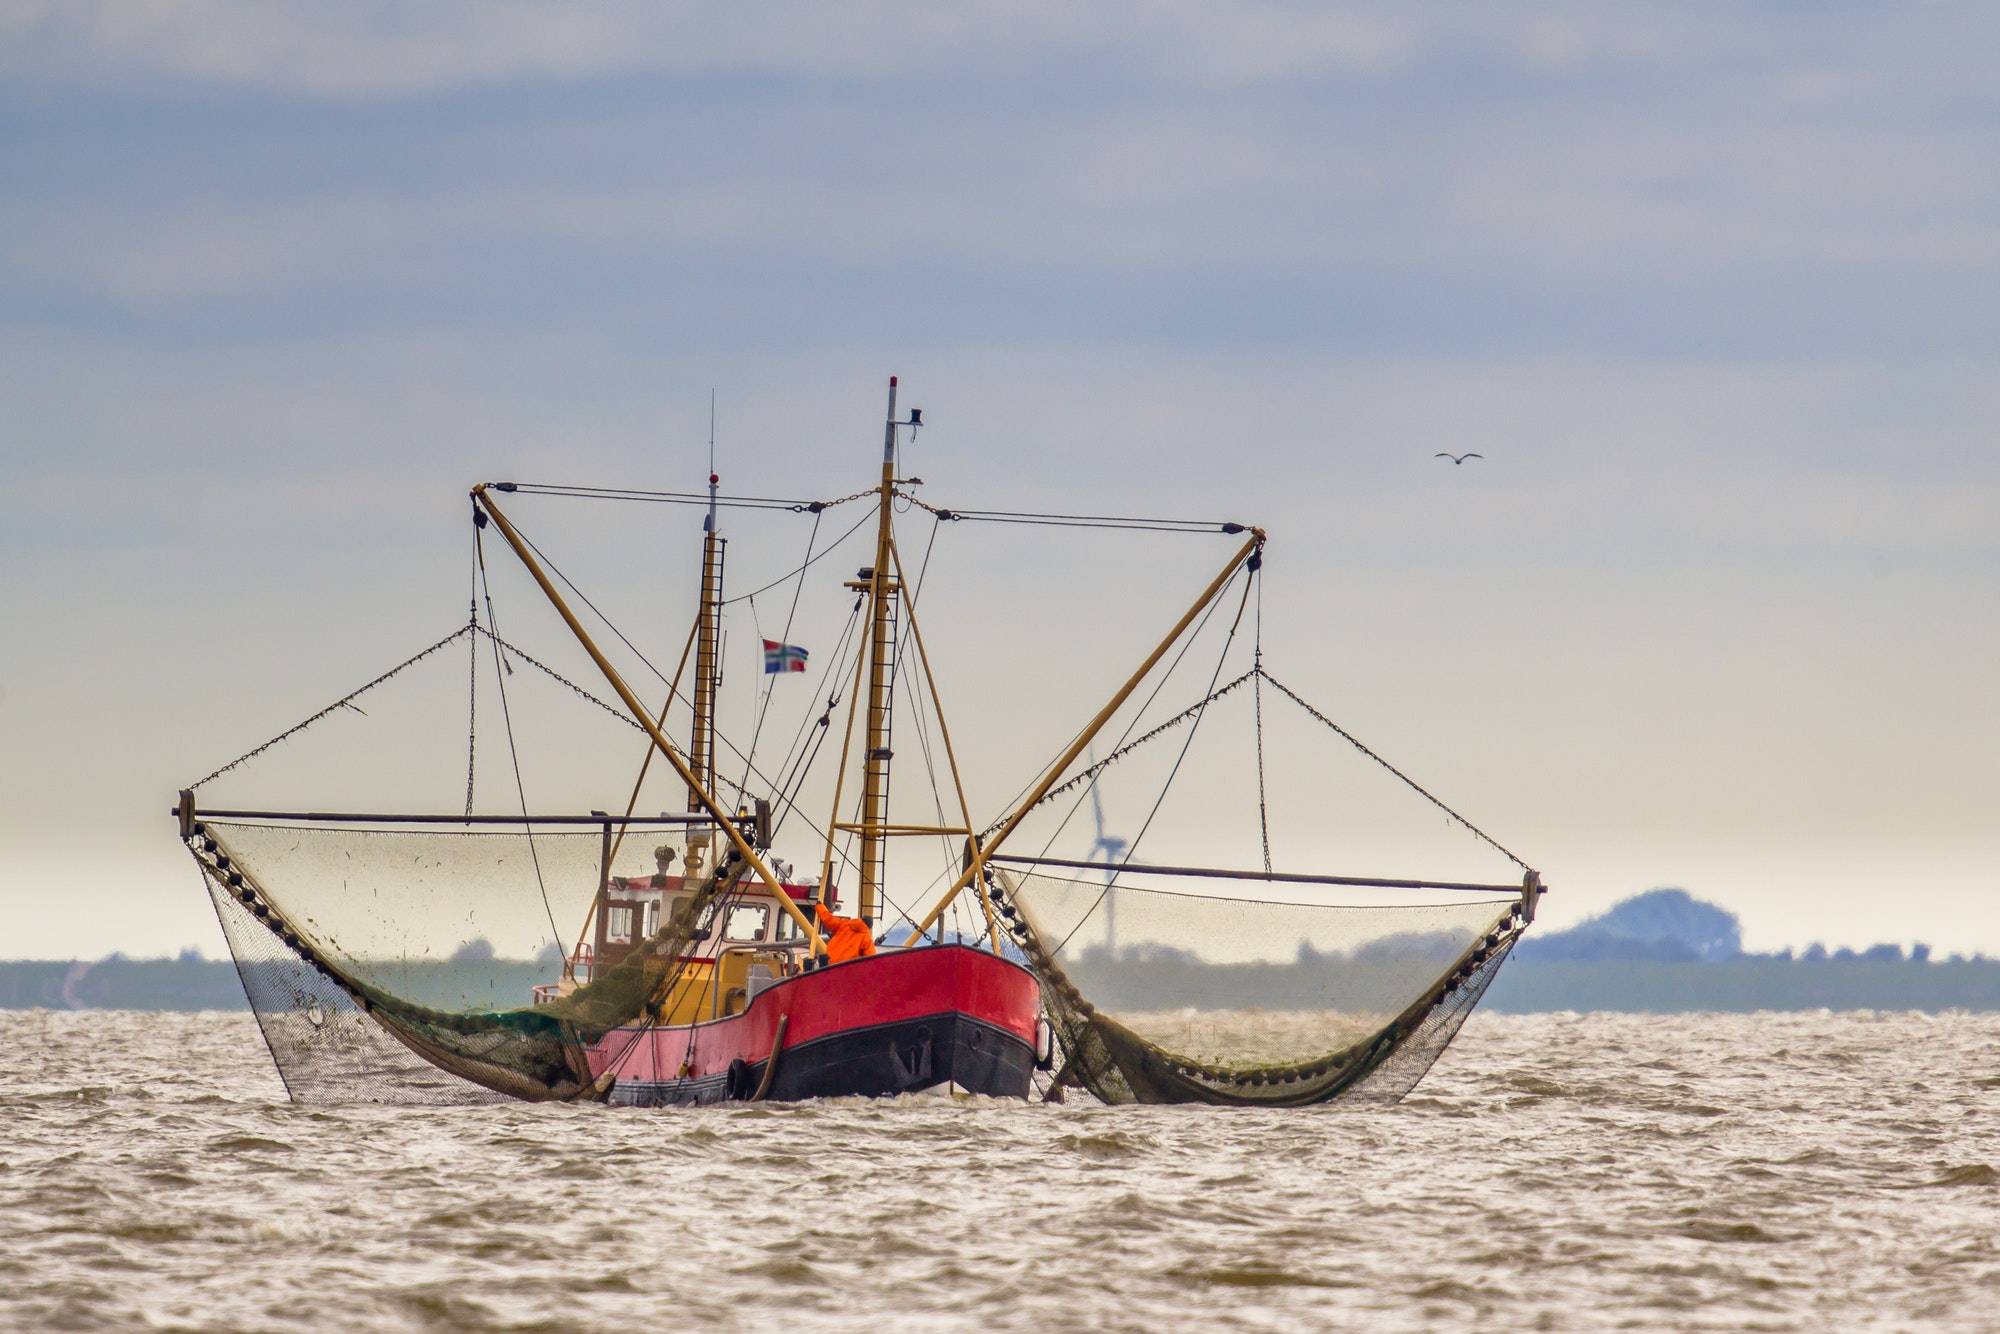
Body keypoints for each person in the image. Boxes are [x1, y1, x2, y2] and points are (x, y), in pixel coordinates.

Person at [813, 899, 876, 965]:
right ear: (869, 927)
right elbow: (871, 959)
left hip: (830, 963)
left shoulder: (845, 924)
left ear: (860, 919)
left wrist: (820, 906)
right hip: (846, 968)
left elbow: (829, 919)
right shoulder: (866, 938)